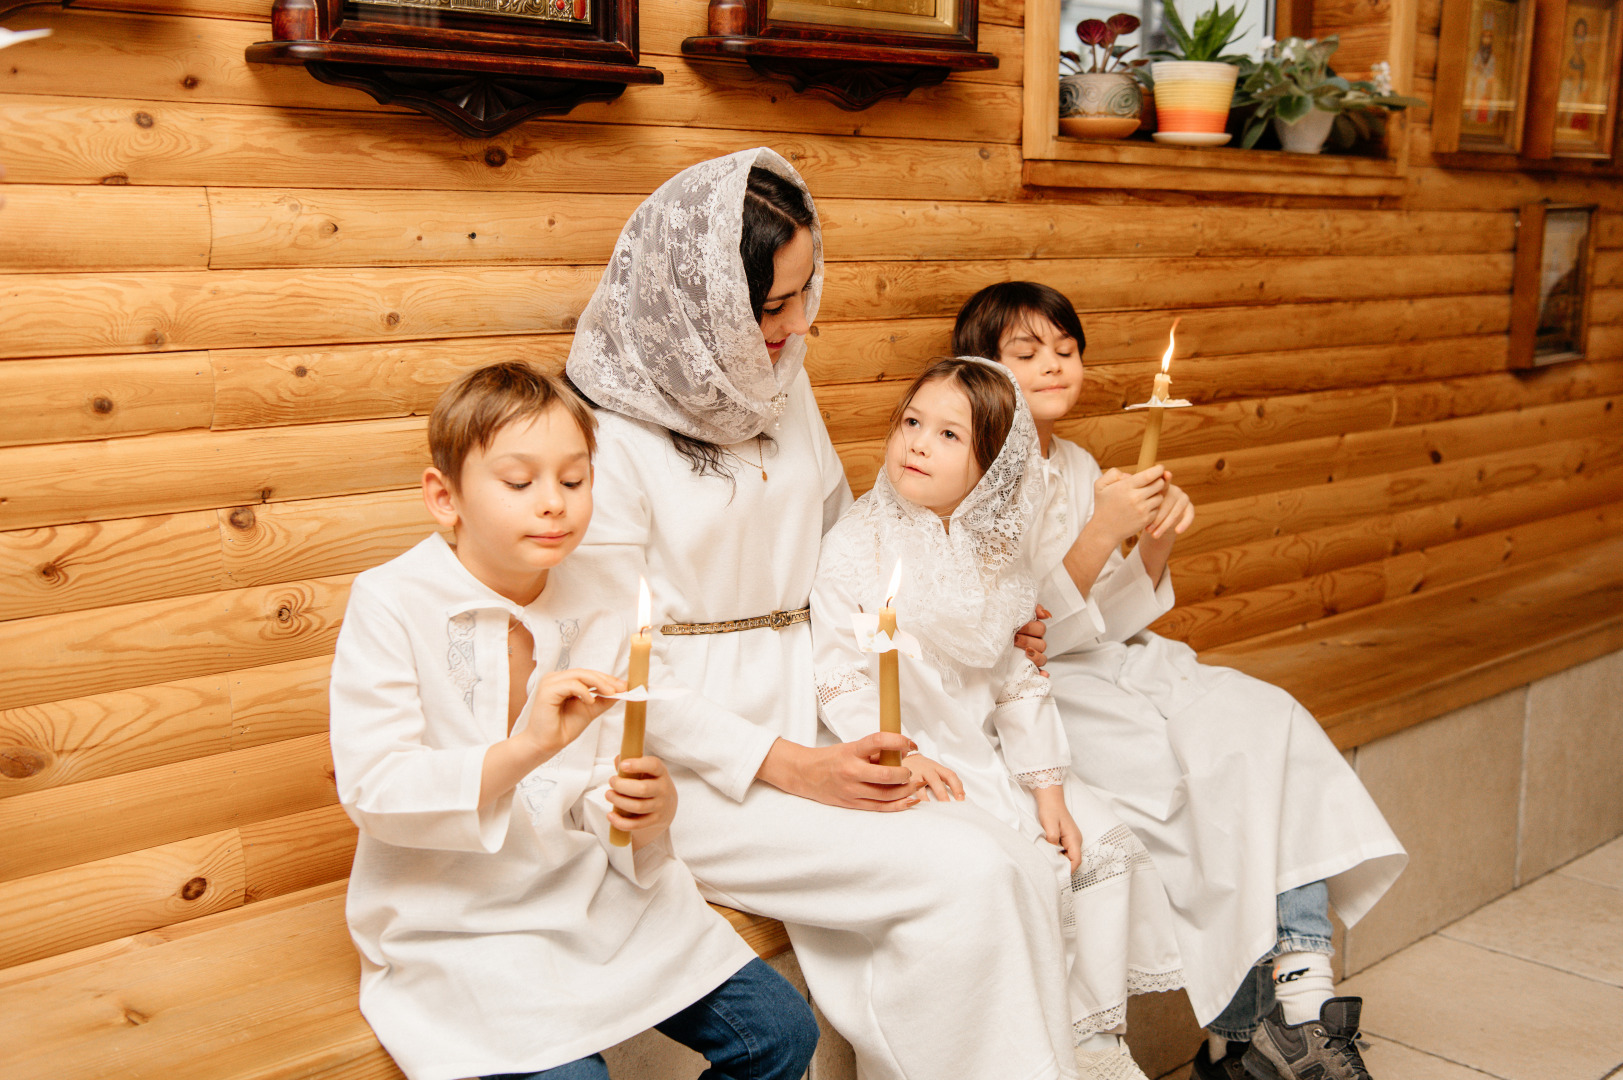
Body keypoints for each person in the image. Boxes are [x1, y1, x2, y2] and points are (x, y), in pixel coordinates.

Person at [564, 149, 1084, 1080]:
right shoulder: (602, 436)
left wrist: (979, 609)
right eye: (771, 307)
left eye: (806, 294)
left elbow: (856, 537)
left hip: (819, 701)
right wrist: (794, 767)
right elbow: (613, 657)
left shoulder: (779, 374)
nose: (800, 324)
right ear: (706, 305)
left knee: (1009, 859)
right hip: (686, 763)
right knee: (963, 878)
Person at [953, 282, 1408, 1080]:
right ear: (980, 368)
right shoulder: (977, 475)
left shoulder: (1085, 462)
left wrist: (1153, 545)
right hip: (1040, 685)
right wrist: (1100, 530)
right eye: (1025, 354)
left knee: (1266, 717)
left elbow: (1114, 617)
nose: (1053, 365)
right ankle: (1262, 1026)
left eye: (1065, 349)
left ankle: (1299, 983)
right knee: (1196, 777)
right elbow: (1009, 635)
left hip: (1117, 658)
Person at [328, 363, 819, 1080]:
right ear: (445, 497)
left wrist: (645, 814)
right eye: (519, 483)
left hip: (595, 895)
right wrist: (529, 746)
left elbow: (615, 760)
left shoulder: (607, 590)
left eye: (574, 479)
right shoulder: (389, 602)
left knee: (780, 1034)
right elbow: (376, 789)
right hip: (457, 919)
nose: (553, 505)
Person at [809, 357, 1186, 1080]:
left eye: (949, 435)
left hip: (981, 753)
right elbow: (840, 672)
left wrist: (1047, 788)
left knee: (1096, 839)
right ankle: (1027, 1047)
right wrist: (893, 752)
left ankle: (1091, 1039)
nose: (916, 443)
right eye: (911, 422)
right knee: (1017, 874)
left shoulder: (998, 557)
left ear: (992, 469)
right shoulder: (857, 543)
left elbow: (1017, 681)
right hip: (905, 761)